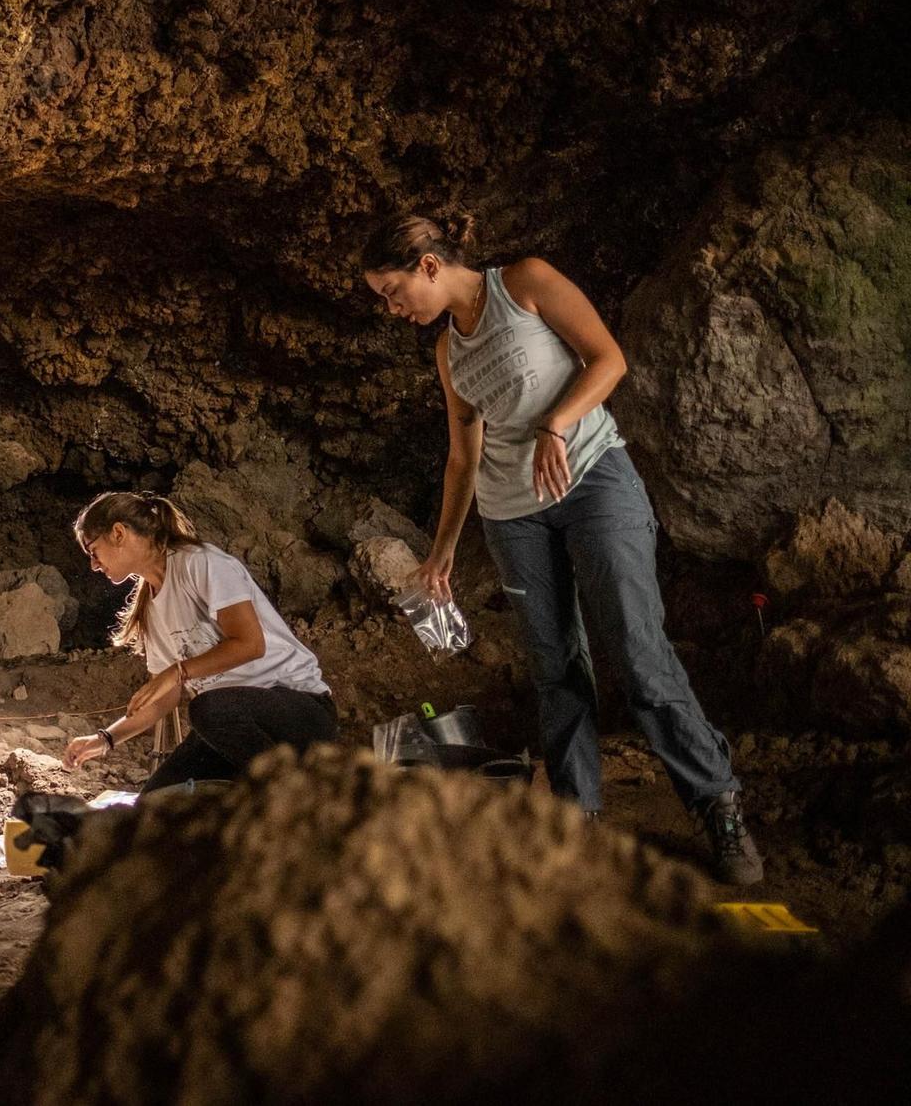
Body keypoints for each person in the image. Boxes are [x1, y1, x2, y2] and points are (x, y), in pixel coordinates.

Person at [360, 213, 763, 885]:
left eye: (392, 290)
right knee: (557, 667)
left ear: (429, 265)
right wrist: (443, 551)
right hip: (511, 513)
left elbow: (609, 359)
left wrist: (557, 422)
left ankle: (718, 803)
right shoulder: (448, 352)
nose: (392, 306)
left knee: (636, 651)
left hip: (591, 479)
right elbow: (463, 458)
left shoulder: (526, 283)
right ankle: (578, 821)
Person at [61, 491, 338, 792]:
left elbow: (250, 643)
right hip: (235, 729)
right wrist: (105, 739)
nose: (94, 565)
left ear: (118, 533)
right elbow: (163, 699)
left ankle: (296, 796)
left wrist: (178, 671)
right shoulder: (150, 607)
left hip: (298, 711)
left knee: (208, 709)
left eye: (93, 551)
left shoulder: (200, 564)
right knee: (155, 803)